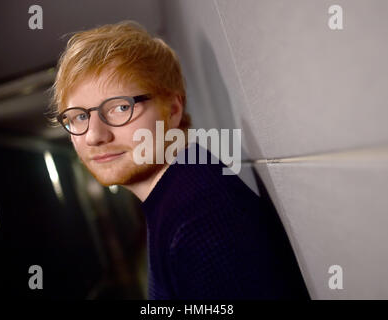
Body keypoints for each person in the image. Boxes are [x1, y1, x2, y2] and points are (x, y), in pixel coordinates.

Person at [50, 20, 310, 300]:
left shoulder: (200, 217)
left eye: (120, 108)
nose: (94, 136)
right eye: (79, 117)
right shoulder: (179, 193)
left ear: (172, 109)